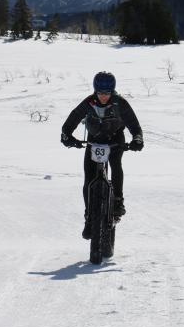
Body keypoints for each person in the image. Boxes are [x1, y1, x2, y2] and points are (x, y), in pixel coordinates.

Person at [61, 71, 143, 239]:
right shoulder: (88, 102)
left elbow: (134, 124)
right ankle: (89, 217)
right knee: (88, 179)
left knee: (116, 165)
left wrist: (137, 138)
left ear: (112, 91)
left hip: (115, 141)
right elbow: (73, 118)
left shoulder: (120, 103)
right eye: (100, 93)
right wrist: (66, 135)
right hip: (94, 141)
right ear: (95, 91)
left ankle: (118, 201)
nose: (103, 97)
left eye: (107, 93)